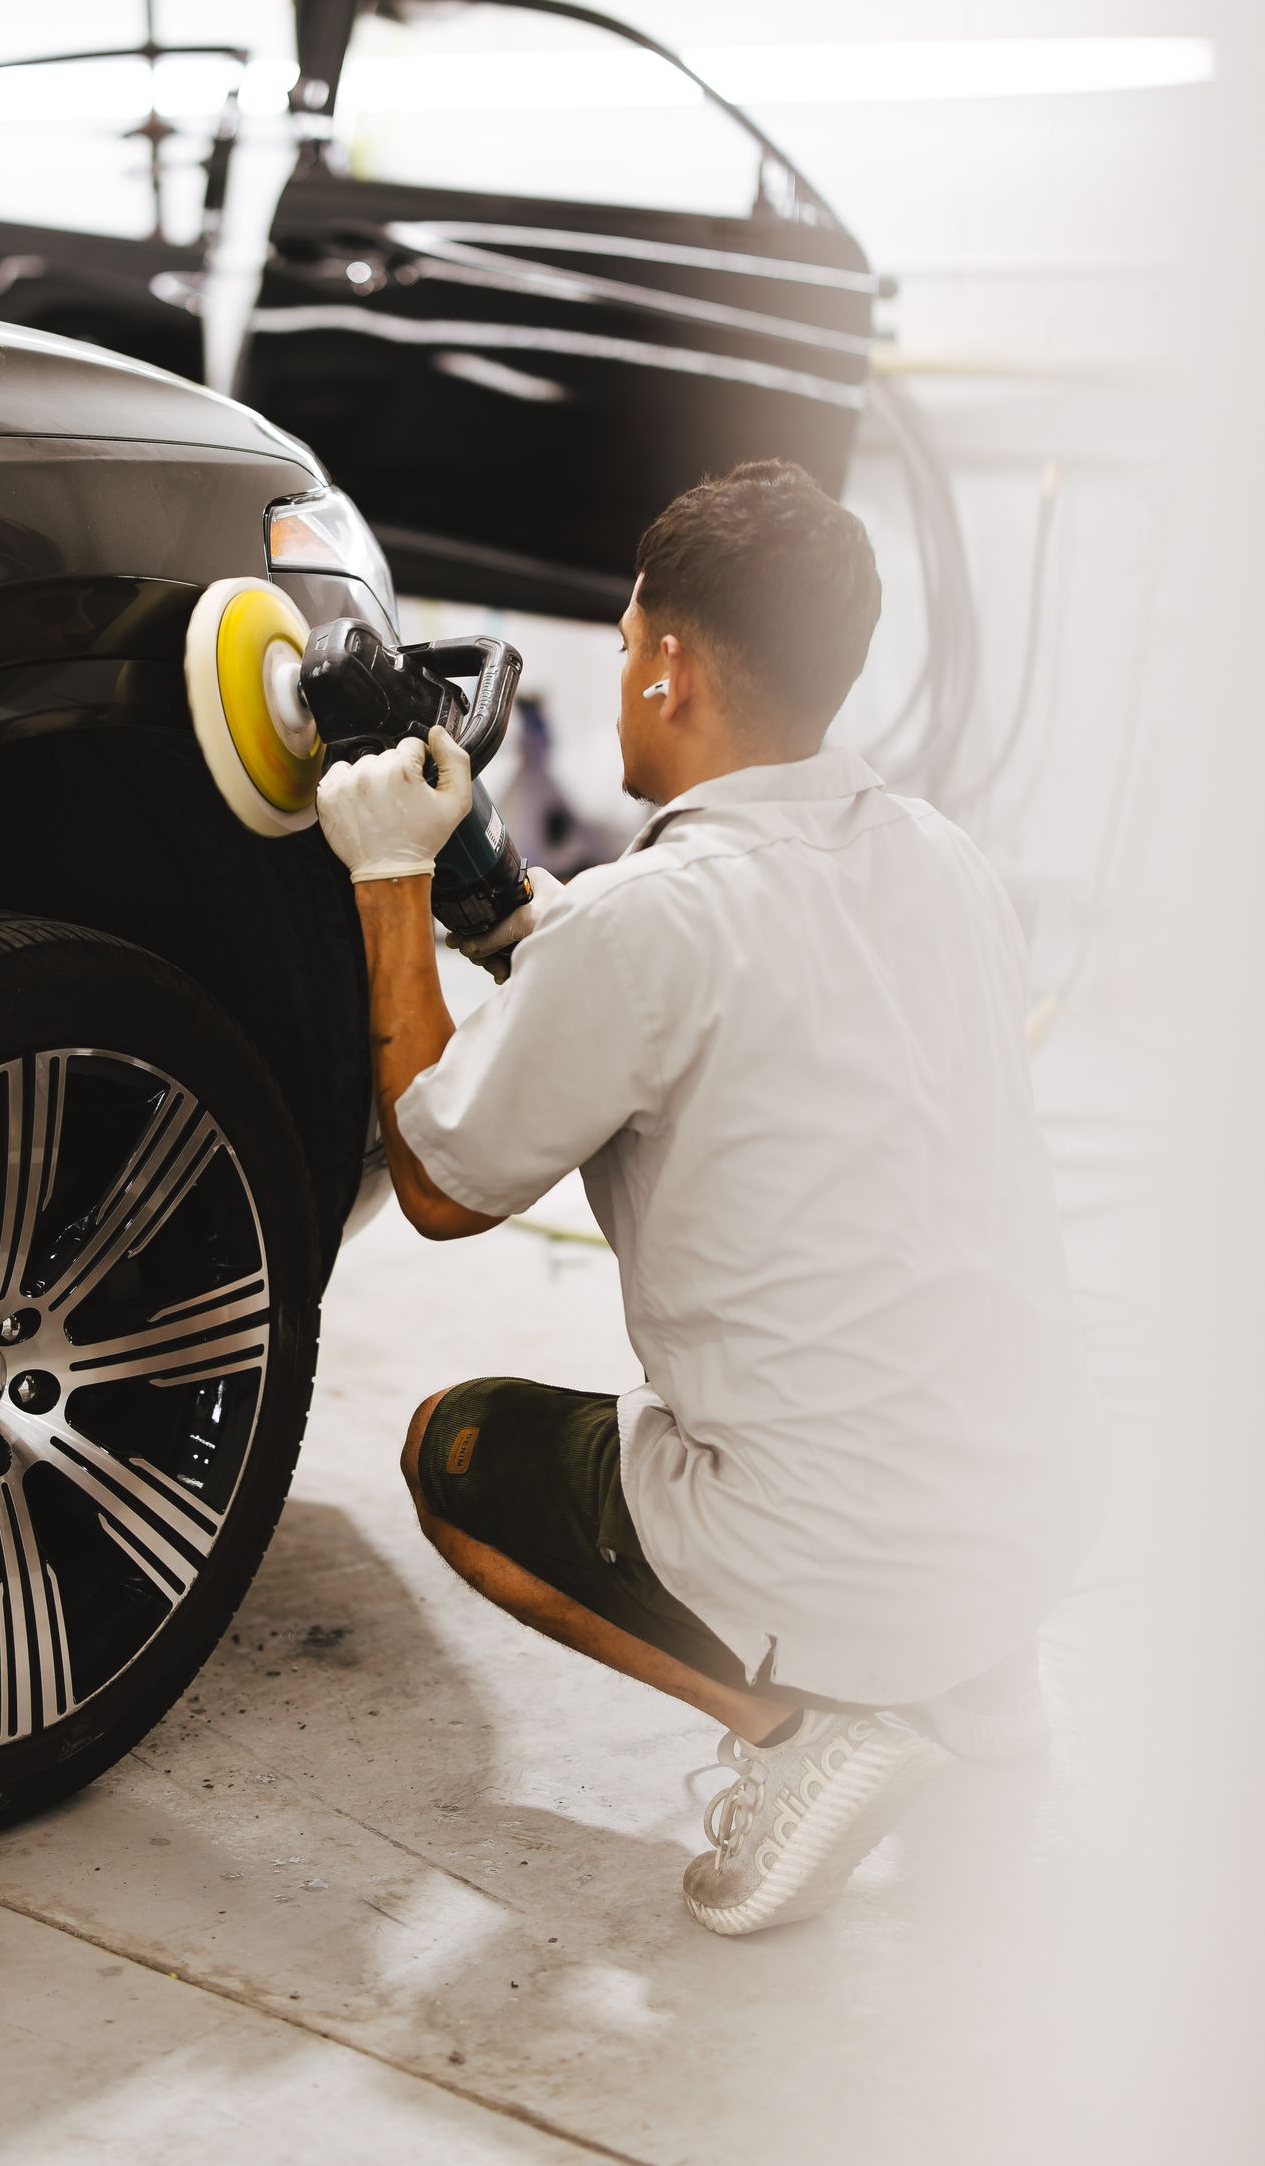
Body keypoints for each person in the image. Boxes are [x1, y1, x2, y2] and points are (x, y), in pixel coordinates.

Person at [314, 459, 1103, 1936]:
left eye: (620, 649)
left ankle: (813, 1731)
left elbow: (439, 1180)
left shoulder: (656, 922)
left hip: (828, 1536)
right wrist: (483, 879)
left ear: (669, 666)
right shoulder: (941, 863)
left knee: (457, 1450)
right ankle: (983, 1680)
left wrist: (386, 883)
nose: (618, 682)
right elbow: (649, 990)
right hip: (1040, 1491)